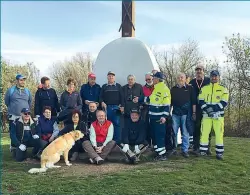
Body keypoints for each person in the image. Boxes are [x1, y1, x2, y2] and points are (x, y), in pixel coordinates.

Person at [134, 72, 171, 161]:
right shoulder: (156, 88)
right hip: (153, 117)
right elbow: (149, 99)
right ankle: (157, 152)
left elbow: (167, 105)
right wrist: (139, 99)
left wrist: (164, 116)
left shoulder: (164, 89)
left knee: (159, 136)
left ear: (158, 79)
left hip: (159, 118)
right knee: (154, 135)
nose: (152, 79)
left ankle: (162, 155)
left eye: (154, 78)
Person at [199, 70, 229, 160]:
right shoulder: (204, 88)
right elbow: (201, 100)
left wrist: (213, 110)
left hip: (218, 116)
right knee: (204, 133)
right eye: (212, 76)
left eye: (216, 76)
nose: (214, 77)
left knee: (219, 134)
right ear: (210, 77)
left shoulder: (224, 89)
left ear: (219, 77)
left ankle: (219, 153)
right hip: (206, 116)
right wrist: (208, 110)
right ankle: (203, 151)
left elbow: (224, 102)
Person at [170, 73, 196, 158]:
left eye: (182, 77)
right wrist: (168, 113)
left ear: (185, 79)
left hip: (186, 114)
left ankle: (185, 150)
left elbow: (193, 102)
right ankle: (174, 148)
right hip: (175, 114)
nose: (180, 79)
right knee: (174, 132)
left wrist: (194, 113)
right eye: (179, 77)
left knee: (185, 132)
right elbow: (170, 103)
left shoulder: (190, 88)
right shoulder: (173, 89)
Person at [189, 63, 211, 155]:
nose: (198, 72)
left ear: (203, 71)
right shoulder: (192, 82)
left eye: (200, 70)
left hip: (206, 106)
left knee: (207, 128)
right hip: (196, 108)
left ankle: (207, 147)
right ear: (195, 72)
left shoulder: (208, 81)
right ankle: (196, 147)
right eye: (197, 70)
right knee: (196, 127)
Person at [99, 71, 124, 143]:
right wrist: (102, 102)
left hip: (116, 107)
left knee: (117, 124)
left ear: (114, 77)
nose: (111, 77)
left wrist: (122, 106)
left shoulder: (118, 86)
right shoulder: (104, 86)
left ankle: (117, 142)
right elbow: (100, 97)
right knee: (108, 125)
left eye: (112, 76)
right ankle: (109, 141)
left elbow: (122, 97)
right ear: (107, 77)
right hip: (107, 108)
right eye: (109, 76)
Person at [141, 72, 154, 145]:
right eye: (146, 80)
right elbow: (142, 99)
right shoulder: (143, 88)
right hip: (146, 108)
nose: (147, 81)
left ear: (152, 78)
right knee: (146, 125)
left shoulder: (156, 86)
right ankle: (147, 143)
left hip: (155, 108)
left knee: (154, 126)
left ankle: (155, 143)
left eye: (149, 79)